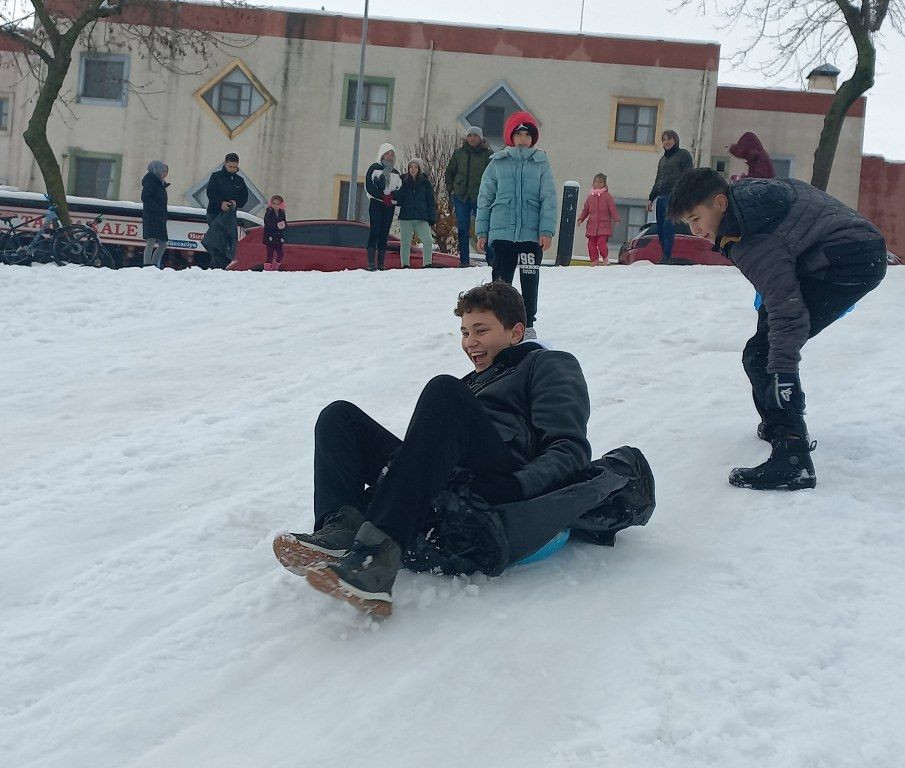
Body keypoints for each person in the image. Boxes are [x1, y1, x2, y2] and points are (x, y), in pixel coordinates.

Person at [272, 283, 593, 616]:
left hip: (498, 479)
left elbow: (569, 450)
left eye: (481, 330)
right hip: (452, 477)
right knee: (339, 417)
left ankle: (375, 561)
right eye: (465, 332)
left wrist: (516, 484)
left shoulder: (549, 364)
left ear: (516, 333)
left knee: (443, 389)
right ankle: (341, 529)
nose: (470, 342)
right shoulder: (474, 381)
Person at [668, 168, 887, 491]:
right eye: (688, 223)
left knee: (763, 354)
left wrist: (783, 371)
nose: (695, 230)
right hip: (853, 246)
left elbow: (788, 310)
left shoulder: (750, 236)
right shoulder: (750, 199)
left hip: (846, 260)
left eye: (696, 218)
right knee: (764, 340)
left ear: (719, 203)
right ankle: (778, 421)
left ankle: (792, 455)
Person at [476, 111, 556, 339]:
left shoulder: (541, 163)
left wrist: (546, 231)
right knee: (501, 282)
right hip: (502, 234)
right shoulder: (497, 164)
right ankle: (500, 322)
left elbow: (548, 198)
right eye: (519, 133)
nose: (523, 138)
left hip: (531, 236)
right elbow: (485, 198)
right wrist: (482, 231)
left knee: (530, 279)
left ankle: (528, 323)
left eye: (527, 134)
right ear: (511, 136)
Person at [445, 126, 494, 267]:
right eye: (470, 135)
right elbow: (450, 172)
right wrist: (451, 189)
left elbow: (492, 177)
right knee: (462, 229)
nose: (472, 138)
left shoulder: (487, 155)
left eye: (475, 135)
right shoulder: (459, 154)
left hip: (480, 197)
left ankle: (491, 259)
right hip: (461, 197)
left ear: (481, 138)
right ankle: (464, 260)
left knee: (484, 228)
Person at [647, 130, 694, 264]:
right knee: (661, 228)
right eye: (664, 139)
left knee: (669, 226)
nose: (667, 142)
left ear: (675, 140)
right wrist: (651, 198)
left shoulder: (683, 155)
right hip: (661, 197)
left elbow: (688, 175)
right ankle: (664, 255)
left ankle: (668, 255)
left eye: (669, 139)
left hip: (673, 196)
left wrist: (683, 193)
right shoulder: (663, 160)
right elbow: (658, 180)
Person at [204, 153, 249, 269]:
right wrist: (221, 203)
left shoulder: (239, 180)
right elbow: (211, 193)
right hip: (214, 213)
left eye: (235, 167)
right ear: (225, 164)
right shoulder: (216, 176)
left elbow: (244, 198)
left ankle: (221, 266)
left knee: (227, 241)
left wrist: (236, 203)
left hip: (230, 215)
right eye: (230, 166)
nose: (233, 169)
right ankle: (216, 267)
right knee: (216, 241)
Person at [364, 143, 402, 271]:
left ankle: (381, 264)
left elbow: (400, 189)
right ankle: (370, 263)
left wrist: (392, 197)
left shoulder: (396, 173)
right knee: (374, 231)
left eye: (392, 154)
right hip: (376, 204)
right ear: (382, 154)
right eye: (387, 153)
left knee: (384, 233)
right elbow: (369, 186)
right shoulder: (374, 169)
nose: (390, 156)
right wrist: (382, 196)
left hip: (389, 205)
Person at [395, 158, 436, 268]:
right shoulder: (402, 181)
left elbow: (430, 201)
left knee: (428, 240)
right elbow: (397, 199)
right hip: (406, 217)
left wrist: (432, 217)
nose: (412, 169)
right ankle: (405, 264)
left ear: (419, 169)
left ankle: (427, 263)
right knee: (405, 242)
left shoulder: (425, 183)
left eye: (415, 167)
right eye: (411, 167)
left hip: (421, 217)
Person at [577, 173, 620, 266]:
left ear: (604, 184)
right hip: (592, 226)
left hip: (603, 226)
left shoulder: (607, 196)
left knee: (601, 243)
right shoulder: (590, 197)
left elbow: (612, 208)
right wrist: (581, 218)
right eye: (596, 182)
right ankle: (594, 260)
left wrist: (616, 218)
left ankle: (605, 257)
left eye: (600, 182)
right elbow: (586, 210)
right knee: (591, 245)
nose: (598, 184)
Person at [141, 161, 169, 269]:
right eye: (163, 171)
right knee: (151, 240)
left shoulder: (160, 182)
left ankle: (152, 265)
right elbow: (145, 197)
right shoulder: (151, 181)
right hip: (152, 216)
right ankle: (148, 265)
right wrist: (157, 210)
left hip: (159, 217)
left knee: (163, 243)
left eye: (166, 172)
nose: (165, 174)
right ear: (157, 170)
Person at [263, 195, 287, 271]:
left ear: (281, 205)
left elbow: (284, 223)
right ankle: (267, 269)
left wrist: (284, 225)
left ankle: (274, 268)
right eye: (274, 203)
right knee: (270, 254)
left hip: (278, 237)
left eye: (278, 204)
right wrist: (277, 225)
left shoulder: (282, 213)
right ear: (271, 204)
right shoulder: (269, 212)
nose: (276, 206)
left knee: (280, 254)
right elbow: (267, 223)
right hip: (270, 237)